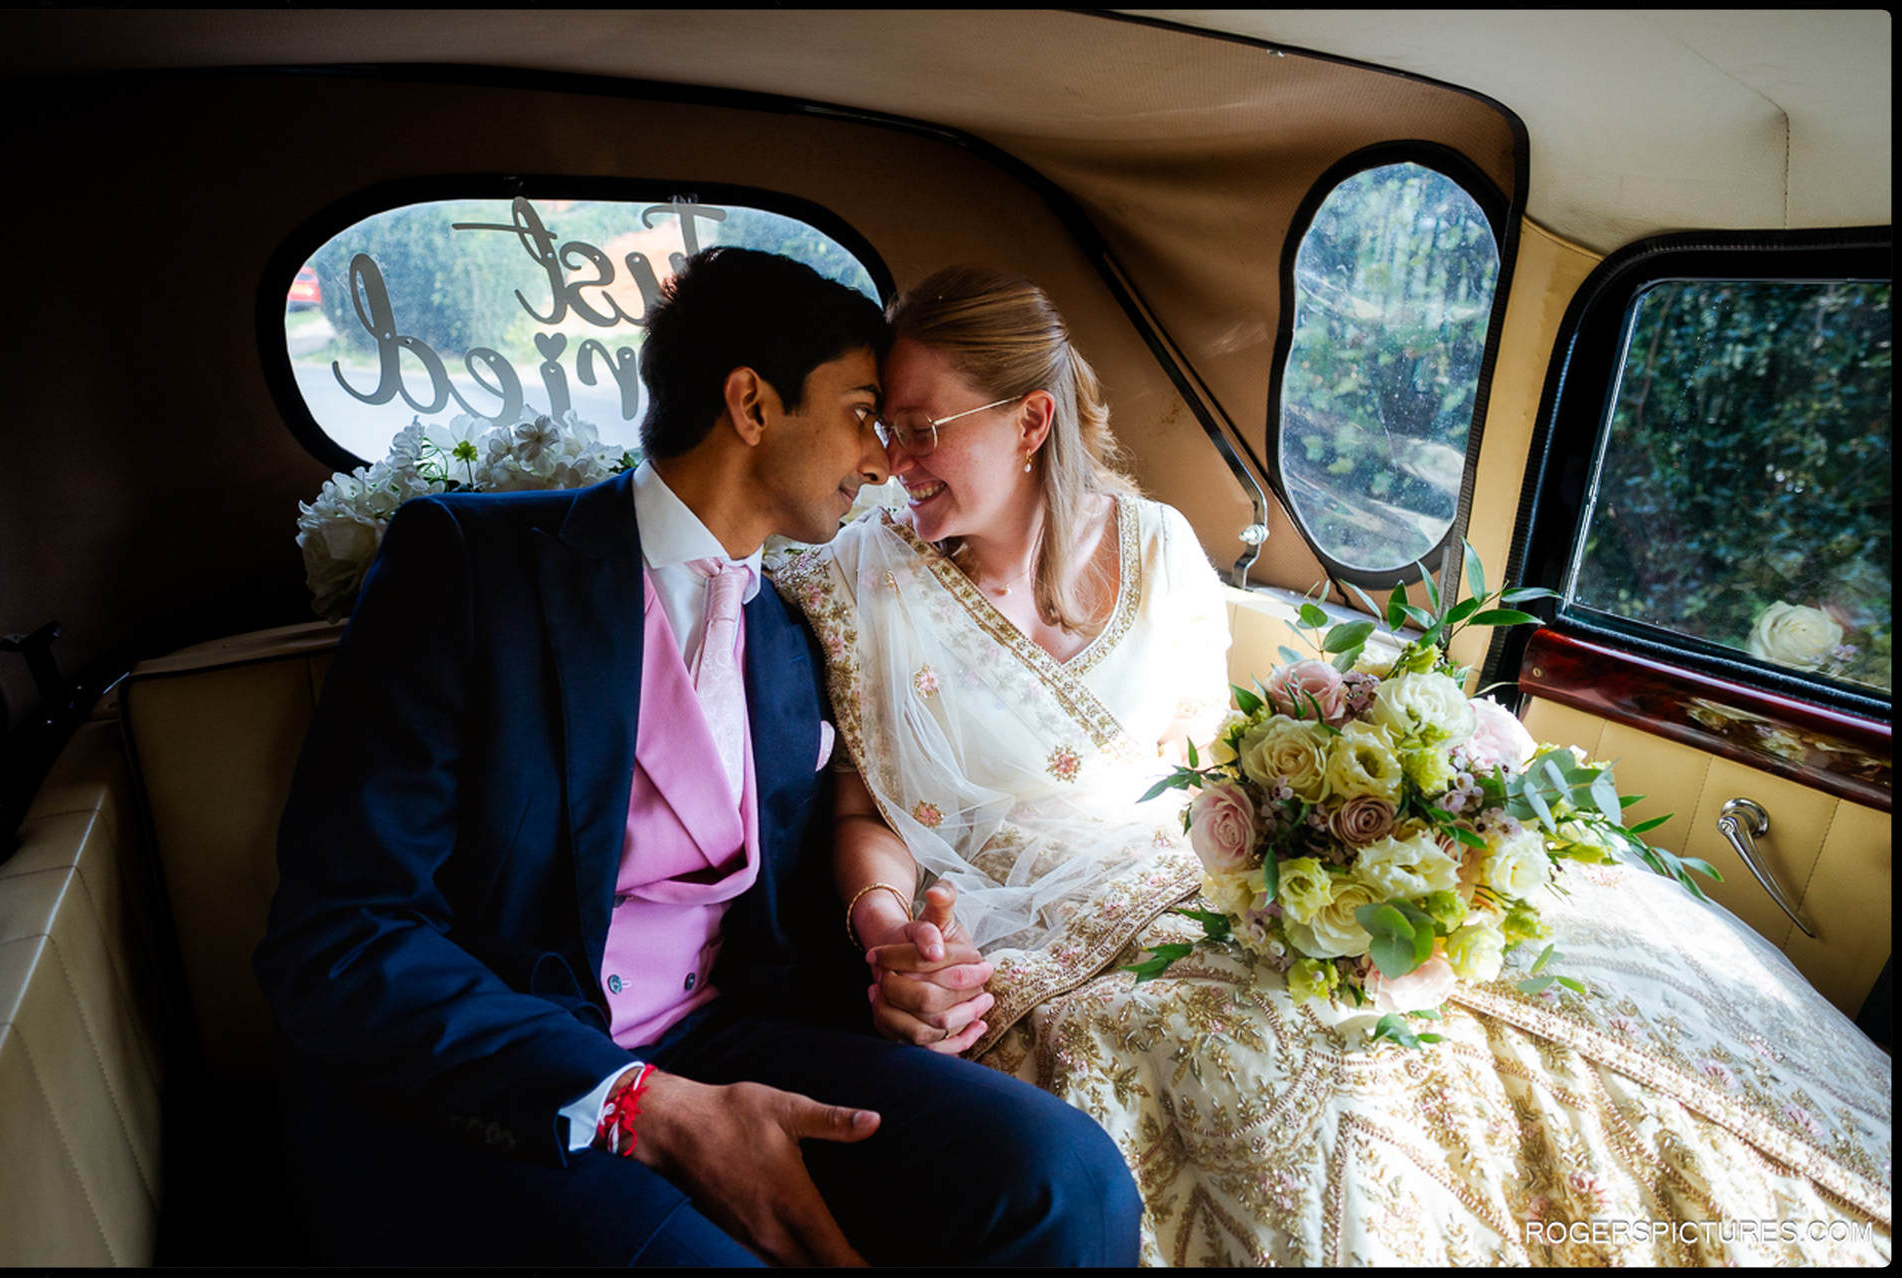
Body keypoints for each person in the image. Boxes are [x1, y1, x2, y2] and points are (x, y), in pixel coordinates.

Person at [774, 265, 1893, 1266]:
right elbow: (863, 807)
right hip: (1012, 910)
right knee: (1266, 1066)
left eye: (920, 429)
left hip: (1171, 863)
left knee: (1555, 974)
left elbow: (1201, 766)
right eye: (882, 428)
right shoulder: (856, 582)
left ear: (1029, 422)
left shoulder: (1157, 546)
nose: (887, 462)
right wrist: (885, 934)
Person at [253, 248, 1142, 1267]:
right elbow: (340, 932)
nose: (887, 459)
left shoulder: (787, 631)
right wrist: (637, 1101)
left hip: (720, 1039)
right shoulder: (467, 567)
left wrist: (891, 958)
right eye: (862, 412)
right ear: (752, 404)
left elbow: (785, 901)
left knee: (1063, 1176)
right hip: (487, 1079)